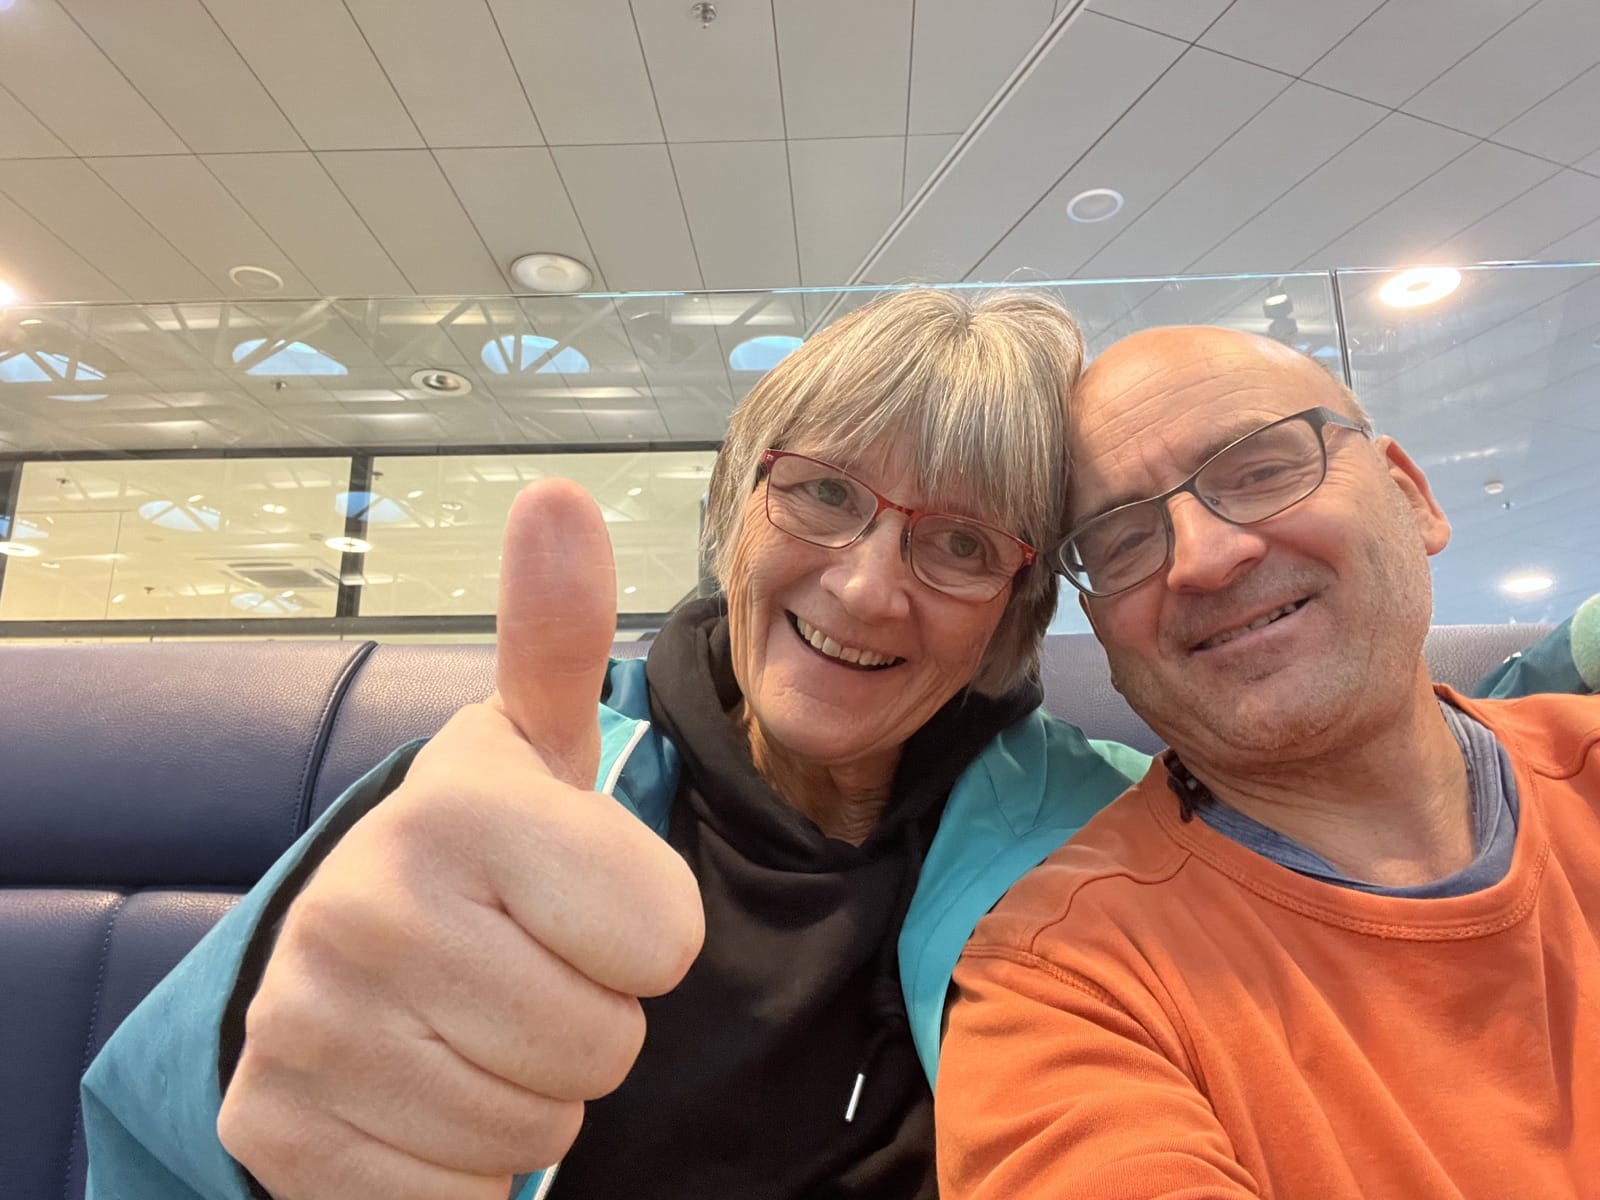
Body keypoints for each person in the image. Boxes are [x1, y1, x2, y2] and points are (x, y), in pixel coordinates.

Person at [82, 288, 1153, 1200]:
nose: (868, 588)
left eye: (961, 542)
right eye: (825, 490)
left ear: (1015, 610)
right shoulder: (504, 787)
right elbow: (162, 1142)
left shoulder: (1116, 833)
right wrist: (284, 1105)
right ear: (735, 508)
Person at [936, 326, 1600, 1199]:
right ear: (1098, 630)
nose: (1207, 558)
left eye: (1259, 471)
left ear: (1411, 497)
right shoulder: (1062, 985)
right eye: (1122, 540)